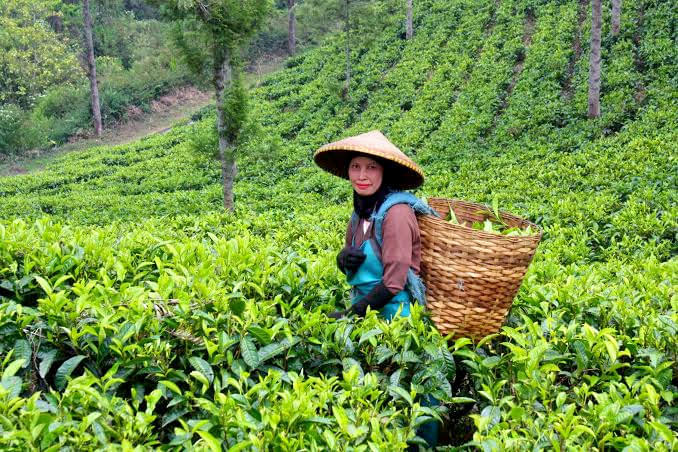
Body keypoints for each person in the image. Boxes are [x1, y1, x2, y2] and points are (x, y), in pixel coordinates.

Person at [313, 130, 439, 448]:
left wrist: (349, 315)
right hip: (370, 315)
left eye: (371, 167)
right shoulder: (360, 214)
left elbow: (393, 283)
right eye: (356, 167)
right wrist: (343, 260)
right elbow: (355, 266)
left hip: (396, 316)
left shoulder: (396, 213)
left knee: (405, 397)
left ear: (385, 172)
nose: (362, 175)